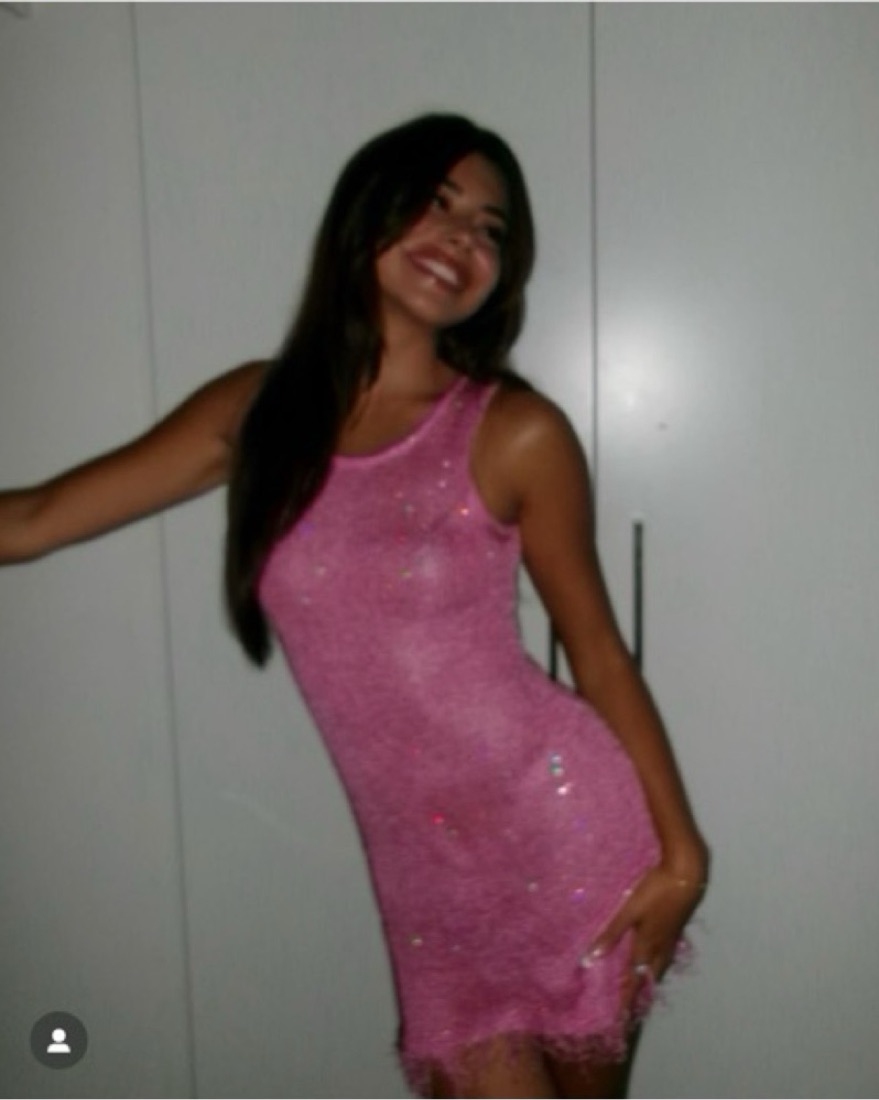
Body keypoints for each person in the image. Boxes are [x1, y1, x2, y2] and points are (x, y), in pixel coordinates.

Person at [0, 114, 708, 1099]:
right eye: (437, 203)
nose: (462, 238)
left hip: (566, 837)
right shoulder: (260, 413)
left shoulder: (513, 431)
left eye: (491, 229)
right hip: (426, 883)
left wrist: (683, 856)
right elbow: (30, 519)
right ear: (366, 214)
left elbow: (596, 651)